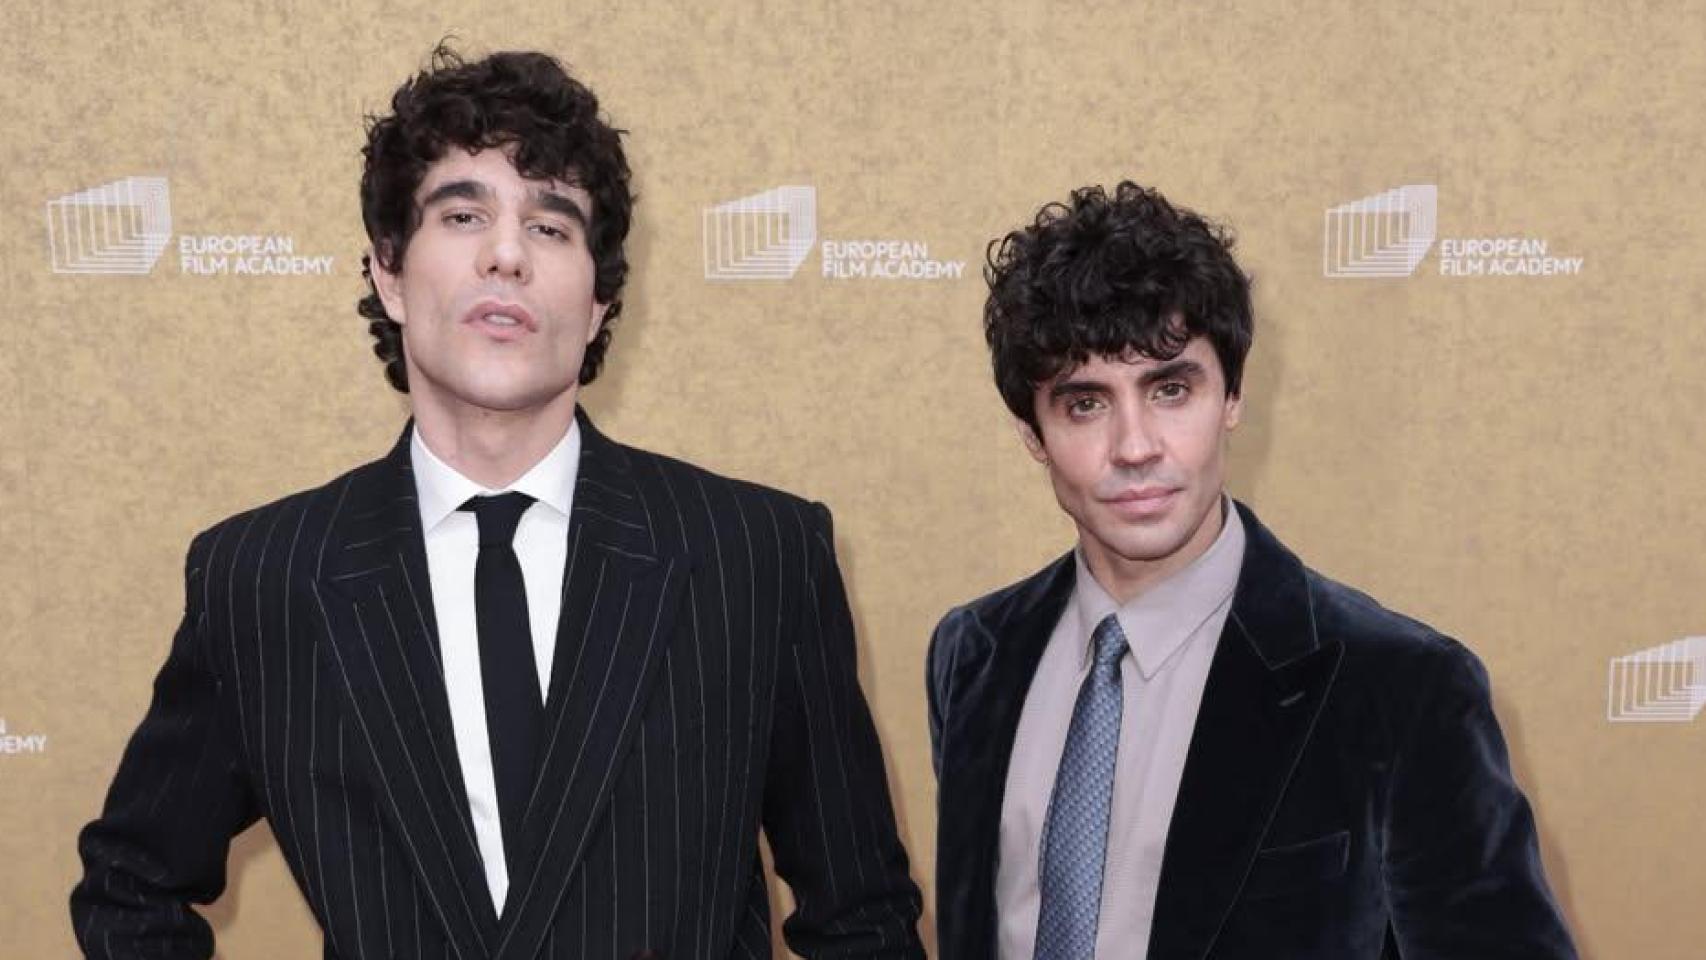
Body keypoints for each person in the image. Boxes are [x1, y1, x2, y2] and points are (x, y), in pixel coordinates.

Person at [72, 47, 924, 960]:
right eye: (465, 213)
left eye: (552, 227)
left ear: (598, 304)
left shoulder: (755, 555)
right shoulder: (267, 576)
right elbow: (132, 889)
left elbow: (861, 916)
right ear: (391, 273)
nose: (508, 254)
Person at [927, 181, 1577, 959]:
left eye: (1170, 389)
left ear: (1232, 396)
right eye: (1085, 404)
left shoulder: (1402, 689)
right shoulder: (974, 654)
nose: (1135, 447)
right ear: (1033, 433)